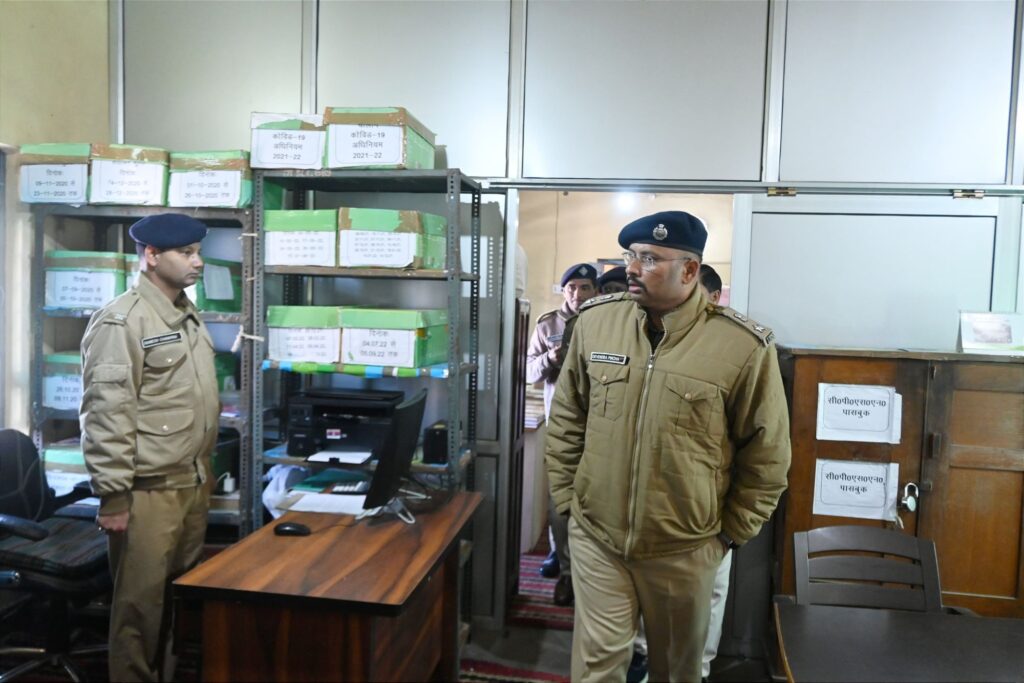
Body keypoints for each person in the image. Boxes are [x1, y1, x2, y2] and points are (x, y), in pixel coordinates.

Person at [546, 211, 791, 682]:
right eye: (631, 257)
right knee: (595, 671)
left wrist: (726, 537)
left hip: (684, 549)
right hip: (598, 539)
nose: (633, 268)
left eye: (650, 259)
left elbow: (768, 455)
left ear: (690, 270)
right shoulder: (597, 324)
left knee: (677, 672)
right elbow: (568, 419)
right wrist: (568, 503)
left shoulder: (741, 346)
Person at [80, 213, 220, 682]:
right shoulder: (122, 321)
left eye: (198, 252)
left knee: (177, 600)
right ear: (152, 255)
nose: (197, 262)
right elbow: (107, 413)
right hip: (147, 490)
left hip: (190, 482)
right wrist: (113, 496)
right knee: (139, 611)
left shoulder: (184, 313)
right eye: (186, 253)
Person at [526, 262, 599, 605]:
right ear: (563, 290)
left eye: (585, 287)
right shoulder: (547, 325)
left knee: (593, 501)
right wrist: (549, 359)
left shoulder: (606, 322)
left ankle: (582, 566)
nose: (578, 294)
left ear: (595, 291)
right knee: (559, 501)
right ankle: (564, 565)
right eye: (572, 287)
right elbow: (529, 372)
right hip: (561, 426)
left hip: (599, 426)